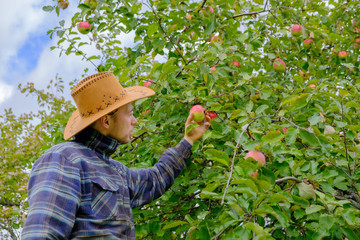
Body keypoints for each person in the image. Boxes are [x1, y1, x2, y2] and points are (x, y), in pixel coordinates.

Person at [21, 71, 210, 239]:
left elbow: (156, 178)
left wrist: (188, 139)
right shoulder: (64, 159)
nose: (135, 121)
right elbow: (42, 234)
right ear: (106, 121)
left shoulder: (115, 171)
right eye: (129, 113)